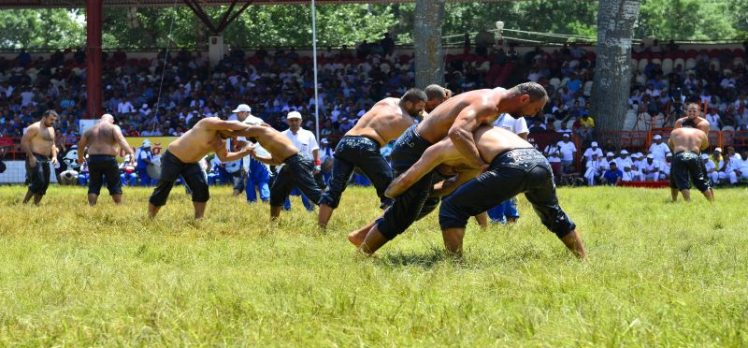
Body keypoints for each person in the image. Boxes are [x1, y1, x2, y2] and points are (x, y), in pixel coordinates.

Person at [349, 82, 548, 255]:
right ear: (524, 99)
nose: (534, 114)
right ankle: (363, 254)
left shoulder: (497, 97)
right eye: (536, 109)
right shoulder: (488, 104)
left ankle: (361, 235)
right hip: (415, 147)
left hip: (427, 147)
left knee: (426, 202)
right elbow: (458, 131)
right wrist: (480, 164)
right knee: (407, 209)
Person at [384, 126, 586, 259]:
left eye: (445, 168)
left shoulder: (450, 145)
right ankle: (583, 259)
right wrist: (427, 194)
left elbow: (411, 179)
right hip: (539, 161)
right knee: (552, 212)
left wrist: (389, 193)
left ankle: (454, 265)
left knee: (451, 208)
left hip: (511, 164)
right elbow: (451, 186)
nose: (449, 171)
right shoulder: (485, 137)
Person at [318, 89, 429, 228]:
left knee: (334, 188)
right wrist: (426, 116)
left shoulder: (386, 101)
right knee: (390, 190)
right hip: (366, 146)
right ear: (408, 104)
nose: (420, 110)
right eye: (419, 107)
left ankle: (320, 228)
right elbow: (425, 130)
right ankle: (385, 229)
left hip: (345, 142)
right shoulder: (406, 121)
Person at [147, 117, 255, 220]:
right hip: (173, 157)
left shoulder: (221, 142)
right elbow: (229, 124)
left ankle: (199, 219)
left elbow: (224, 157)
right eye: (233, 132)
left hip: (192, 162)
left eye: (234, 135)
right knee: (164, 186)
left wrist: (244, 152)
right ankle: (150, 218)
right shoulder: (209, 123)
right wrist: (252, 127)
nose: (232, 135)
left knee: (201, 187)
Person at [233, 123, 323, 220]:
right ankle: (273, 223)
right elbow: (276, 161)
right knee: (276, 192)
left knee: (314, 194)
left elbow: (240, 131)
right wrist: (256, 156)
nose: (247, 136)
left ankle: (328, 216)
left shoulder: (263, 131)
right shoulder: (266, 141)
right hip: (289, 164)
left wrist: (221, 131)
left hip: (298, 162)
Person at [76, 114, 135, 205]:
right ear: (112, 121)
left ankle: (91, 205)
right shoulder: (113, 127)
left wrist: (80, 157)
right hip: (108, 159)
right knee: (114, 183)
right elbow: (120, 140)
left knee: (94, 183)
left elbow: (81, 145)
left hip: (93, 159)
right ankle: (119, 205)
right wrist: (130, 152)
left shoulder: (89, 130)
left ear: (100, 120)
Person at [486, 112, 529, 224]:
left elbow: (523, 139)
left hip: (510, 160)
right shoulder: (486, 115)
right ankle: (497, 221)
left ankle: (511, 220)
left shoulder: (517, 117)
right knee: (492, 191)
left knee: (509, 191)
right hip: (488, 160)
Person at [282, 111, 321, 212]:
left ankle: (310, 211)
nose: (294, 122)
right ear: (287, 121)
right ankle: (286, 211)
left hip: (305, 168)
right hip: (287, 167)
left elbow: (315, 149)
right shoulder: (282, 135)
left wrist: (317, 164)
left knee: (306, 191)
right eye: (291, 120)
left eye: (296, 120)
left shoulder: (308, 134)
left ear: (301, 121)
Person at [668, 121, 714, 202]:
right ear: (695, 126)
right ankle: (712, 202)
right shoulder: (701, 132)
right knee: (700, 180)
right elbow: (705, 146)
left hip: (679, 155)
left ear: (682, 126)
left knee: (680, 180)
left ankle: (687, 202)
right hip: (694, 155)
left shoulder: (675, 131)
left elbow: (671, 145)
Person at [20, 110, 59, 205]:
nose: (53, 122)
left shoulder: (51, 129)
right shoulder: (34, 127)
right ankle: (24, 203)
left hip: (46, 158)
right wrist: (31, 156)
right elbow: (23, 142)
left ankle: (35, 204)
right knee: (39, 181)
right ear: (44, 117)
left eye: (54, 120)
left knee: (45, 183)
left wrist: (54, 156)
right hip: (34, 156)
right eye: (51, 119)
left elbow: (53, 144)